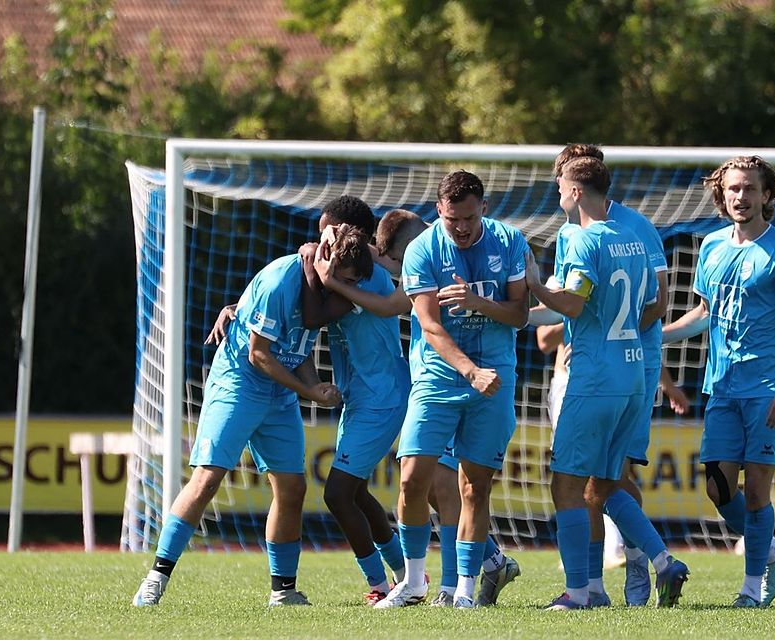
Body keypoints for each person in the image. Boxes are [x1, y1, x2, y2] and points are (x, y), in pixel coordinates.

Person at [131, 227, 372, 607]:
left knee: (292, 489)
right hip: (240, 383)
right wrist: (309, 391)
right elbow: (259, 354)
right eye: (342, 280)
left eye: (351, 283)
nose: (345, 288)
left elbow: (297, 345)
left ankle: (283, 591)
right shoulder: (280, 280)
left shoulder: (329, 287)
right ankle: (155, 579)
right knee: (208, 479)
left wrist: (314, 383)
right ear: (326, 256)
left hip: (280, 391)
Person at [206, 196, 410, 605]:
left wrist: (321, 271)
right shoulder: (341, 263)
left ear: (349, 235)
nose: (318, 241)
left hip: (382, 397)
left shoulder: (359, 273)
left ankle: (383, 585)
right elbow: (292, 306)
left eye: (326, 233)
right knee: (357, 493)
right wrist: (240, 308)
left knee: (339, 494)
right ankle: (405, 574)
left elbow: (314, 315)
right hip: (362, 396)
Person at [317, 209, 521, 607]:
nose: (392, 268)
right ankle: (484, 562)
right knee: (422, 483)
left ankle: (449, 584)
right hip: (428, 384)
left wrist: (333, 282)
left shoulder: (438, 257)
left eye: (388, 259)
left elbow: (393, 302)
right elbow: (386, 269)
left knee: (450, 486)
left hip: (444, 385)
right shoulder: (411, 256)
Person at [527, 156, 689, 610]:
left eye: (560, 188)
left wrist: (535, 285)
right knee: (604, 484)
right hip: (634, 372)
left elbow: (573, 305)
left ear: (576, 191)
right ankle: (657, 563)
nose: (557, 196)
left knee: (566, 483)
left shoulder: (581, 238)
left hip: (593, 376)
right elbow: (654, 304)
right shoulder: (633, 238)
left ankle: (578, 592)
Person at [371, 171, 529, 610]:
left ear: (484, 207)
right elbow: (430, 325)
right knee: (411, 480)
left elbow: (519, 315)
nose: (460, 227)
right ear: (439, 211)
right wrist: (469, 370)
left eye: (469, 218)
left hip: (494, 378)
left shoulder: (510, 242)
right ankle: (415, 582)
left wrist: (481, 305)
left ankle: (463, 590)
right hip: (439, 379)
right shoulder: (423, 250)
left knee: (474, 488)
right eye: (452, 218)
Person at [662, 155, 775, 608]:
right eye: (733, 189)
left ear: (767, 195)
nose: (740, 197)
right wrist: (660, 336)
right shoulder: (710, 247)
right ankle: (770, 550)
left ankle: (752, 588)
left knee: (757, 491)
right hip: (723, 386)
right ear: (721, 193)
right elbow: (705, 314)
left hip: (768, 387)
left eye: (749, 189)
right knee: (718, 488)